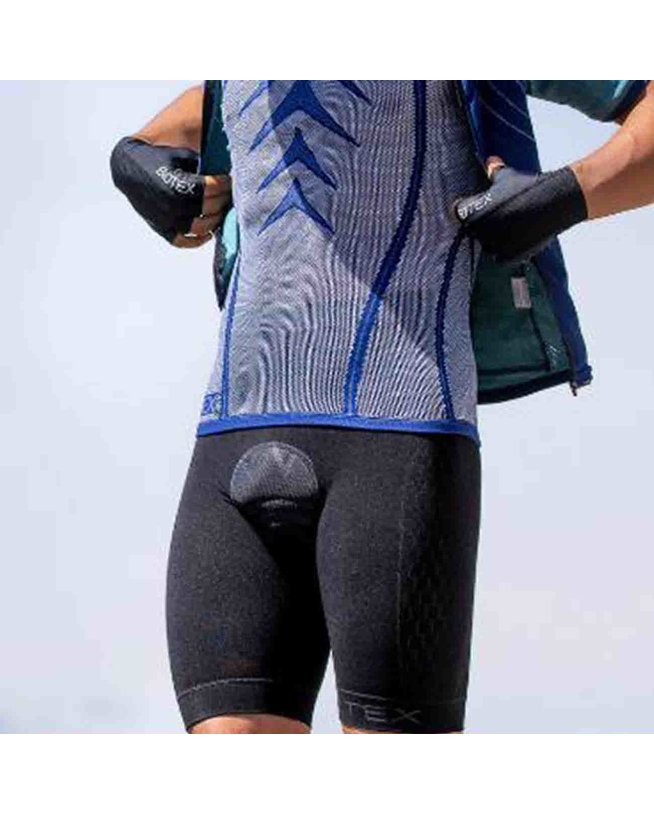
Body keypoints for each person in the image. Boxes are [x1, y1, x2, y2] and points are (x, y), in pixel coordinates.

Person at [111, 80, 654, 734]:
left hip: (398, 437)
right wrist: (137, 158)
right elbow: (206, 108)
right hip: (234, 435)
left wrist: (568, 193)